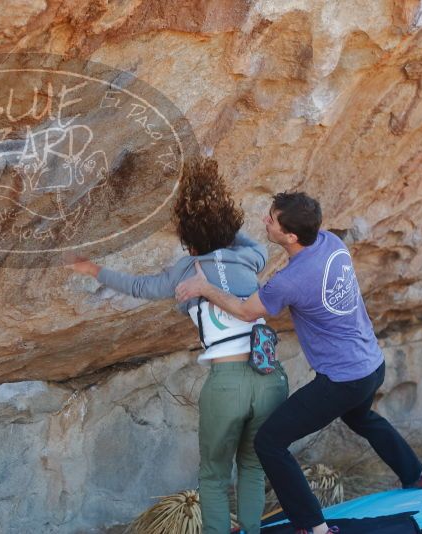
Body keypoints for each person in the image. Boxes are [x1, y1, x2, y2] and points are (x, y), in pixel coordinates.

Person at [175, 191, 422, 534]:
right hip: (371, 365)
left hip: (343, 380)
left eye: (272, 219)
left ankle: (314, 527)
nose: (265, 220)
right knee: (360, 415)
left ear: (291, 236)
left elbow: (247, 311)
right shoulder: (331, 242)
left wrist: (205, 287)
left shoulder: (291, 280)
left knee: (270, 442)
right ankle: (417, 475)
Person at [65, 158, 288, 534]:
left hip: (227, 382)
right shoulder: (250, 258)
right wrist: (217, 209)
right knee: (253, 465)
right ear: (228, 225)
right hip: (269, 377)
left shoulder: (185, 272)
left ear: (187, 237)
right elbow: (245, 240)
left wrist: (92, 270)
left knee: (214, 476)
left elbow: (139, 287)